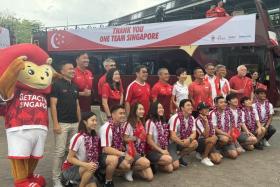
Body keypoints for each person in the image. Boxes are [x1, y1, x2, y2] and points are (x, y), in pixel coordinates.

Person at [50, 61, 81, 187]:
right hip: (62, 124)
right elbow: (53, 105)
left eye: (73, 69)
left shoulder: (75, 86)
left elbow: (77, 105)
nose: (73, 70)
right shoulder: (56, 84)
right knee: (60, 152)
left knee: (71, 152)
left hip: (75, 124)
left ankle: (68, 176)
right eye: (69, 69)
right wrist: (55, 124)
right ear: (62, 71)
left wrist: (80, 123)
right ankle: (55, 179)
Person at [61, 112, 101, 187]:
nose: (95, 123)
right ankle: (73, 182)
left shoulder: (95, 137)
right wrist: (86, 165)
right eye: (92, 120)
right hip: (70, 169)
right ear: (85, 122)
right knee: (91, 167)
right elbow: (70, 158)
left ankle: (78, 182)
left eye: (96, 120)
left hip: (86, 169)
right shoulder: (78, 137)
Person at [99, 105, 133, 187]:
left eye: (124, 113)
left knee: (127, 165)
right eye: (120, 113)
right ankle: (107, 182)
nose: (123, 115)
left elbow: (118, 143)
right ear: (113, 115)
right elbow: (106, 149)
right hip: (101, 155)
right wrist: (123, 154)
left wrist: (125, 151)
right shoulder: (106, 128)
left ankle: (106, 172)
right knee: (114, 160)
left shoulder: (119, 126)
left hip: (114, 151)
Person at [123, 103, 153, 182]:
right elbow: (124, 139)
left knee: (149, 177)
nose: (142, 111)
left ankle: (133, 167)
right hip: (131, 151)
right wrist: (135, 138)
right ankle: (128, 170)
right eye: (140, 109)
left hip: (140, 150)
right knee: (146, 163)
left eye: (143, 109)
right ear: (134, 111)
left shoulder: (141, 122)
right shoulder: (128, 123)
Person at [168, 99, 198, 168]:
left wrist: (189, 140)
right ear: (182, 108)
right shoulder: (175, 118)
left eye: (191, 105)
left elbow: (194, 133)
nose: (190, 107)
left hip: (183, 140)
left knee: (195, 143)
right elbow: (173, 136)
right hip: (172, 143)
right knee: (175, 166)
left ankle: (179, 157)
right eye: (188, 105)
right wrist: (182, 143)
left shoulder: (192, 118)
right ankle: (172, 157)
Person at [146, 101, 174, 173]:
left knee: (170, 168)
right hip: (151, 150)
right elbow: (149, 141)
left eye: (162, 108)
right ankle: (151, 162)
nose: (162, 109)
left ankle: (156, 164)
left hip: (160, 149)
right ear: (154, 109)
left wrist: (166, 150)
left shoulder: (163, 121)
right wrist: (162, 151)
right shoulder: (150, 122)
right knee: (169, 160)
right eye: (159, 108)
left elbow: (165, 138)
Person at [195, 102, 222, 166]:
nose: (207, 110)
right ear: (200, 111)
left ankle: (203, 154)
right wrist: (206, 123)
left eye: (208, 108)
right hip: (200, 142)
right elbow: (206, 136)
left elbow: (213, 132)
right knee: (213, 138)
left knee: (217, 160)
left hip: (210, 141)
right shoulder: (197, 120)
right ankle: (204, 157)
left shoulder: (209, 117)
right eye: (204, 108)